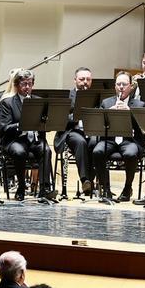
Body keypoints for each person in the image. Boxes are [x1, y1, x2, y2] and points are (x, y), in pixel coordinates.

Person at [0, 69, 55, 202]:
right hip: (14, 140)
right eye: (24, 84)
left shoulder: (39, 101)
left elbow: (47, 123)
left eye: (29, 84)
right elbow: (2, 127)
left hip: (34, 140)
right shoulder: (7, 103)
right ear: (16, 85)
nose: (27, 87)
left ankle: (44, 190)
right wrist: (21, 125)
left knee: (46, 150)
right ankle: (21, 187)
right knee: (20, 152)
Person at [90, 72, 145, 202]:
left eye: (124, 84)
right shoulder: (106, 102)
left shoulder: (139, 105)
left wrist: (129, 112)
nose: (121, 87)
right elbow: (99, 125)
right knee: (97, 151)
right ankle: (105, 189)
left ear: (131, 87)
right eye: (118, 84)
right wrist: (109, 114)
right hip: (110, 140)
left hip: (129, 140)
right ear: (115, 86)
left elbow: (143, 127)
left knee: (131, 154)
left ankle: (127, 188)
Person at [56, 67, 95, 197]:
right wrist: (76, 117)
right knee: (81, 142)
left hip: (91, 131)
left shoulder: (96, 96)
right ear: (75, 80)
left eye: (88, 79)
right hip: (71, 132)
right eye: (82, 79)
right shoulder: (67, 96)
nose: (85, 82)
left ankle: (92, 182)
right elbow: (60, 118)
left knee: (96, 144)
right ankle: (85, 180)